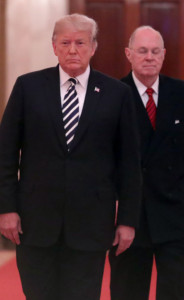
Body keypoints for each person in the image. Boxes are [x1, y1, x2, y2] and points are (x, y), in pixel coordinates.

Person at [0, 14, 141, 300]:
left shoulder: (117, 94)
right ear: (54, 46)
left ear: (94, 46)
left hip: (92, 224)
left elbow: (129, 163)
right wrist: (6, 208)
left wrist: (127, 220)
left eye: (81, 43)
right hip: (35, 223)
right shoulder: (28, 87)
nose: (73, 49)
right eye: (65, 42)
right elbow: (7, 152)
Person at [109, 26, 184, 300]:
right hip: (130, 218)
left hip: (176, 217)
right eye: (142, 51)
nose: (149, 57)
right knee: (128, 292)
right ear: (129, 54)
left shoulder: (181, 93)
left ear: (164, 55)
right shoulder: (111, 95)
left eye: (155, 51)